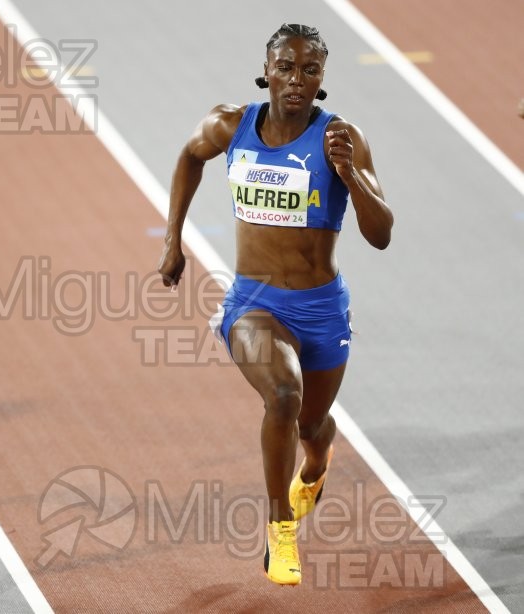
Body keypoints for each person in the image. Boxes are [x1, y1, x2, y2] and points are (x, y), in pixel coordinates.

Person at [158, 24, 393, 585]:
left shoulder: (342, 137)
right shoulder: (230, 125)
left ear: (322, 79)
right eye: (286, 67)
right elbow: (190, 157)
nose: (296, 79)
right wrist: (173, 241)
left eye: (309, 70)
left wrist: (351, 174)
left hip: (321, 308)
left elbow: (381, 233)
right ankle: (279, 531)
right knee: (284, 395)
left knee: (310, 423)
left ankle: (317, 459)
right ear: (267, 72)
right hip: (254, 302)